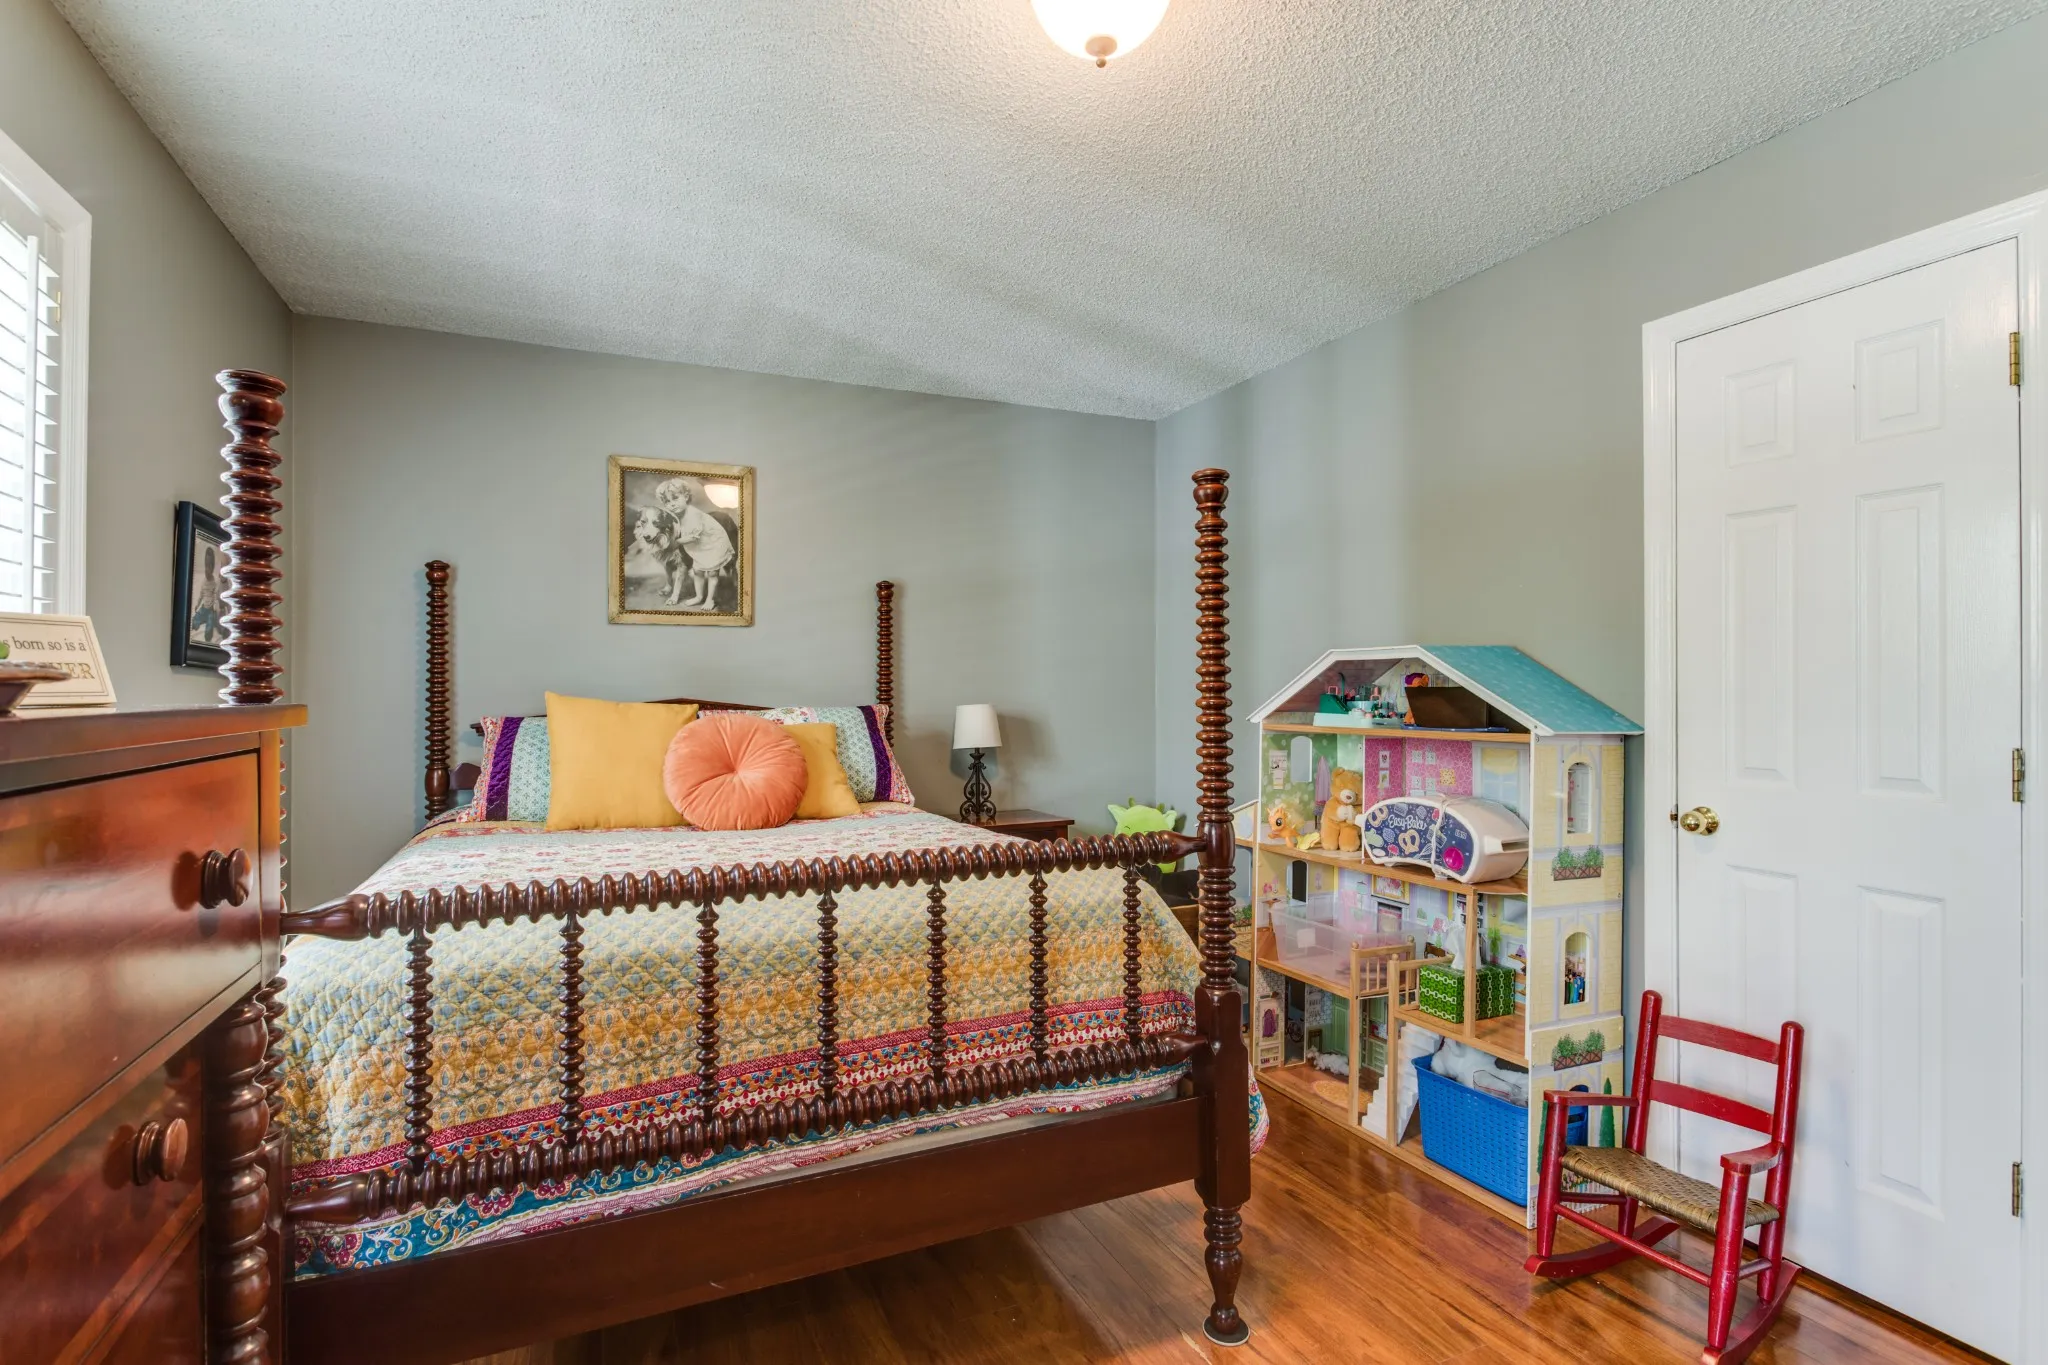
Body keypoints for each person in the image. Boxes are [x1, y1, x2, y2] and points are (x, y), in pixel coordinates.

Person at [653, 477, 735, 609]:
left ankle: (710, 600)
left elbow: (694, 537)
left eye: (675, 498)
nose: (672, 504)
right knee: (697, 571)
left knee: (712, 573)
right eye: (667, 501)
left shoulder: (693, 515)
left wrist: (675, 542)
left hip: (714, 544)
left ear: (686, 497)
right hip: (701, 546)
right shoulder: (677, 515)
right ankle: (699, 596)